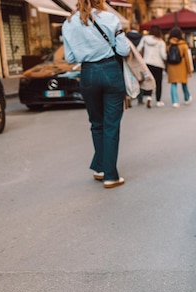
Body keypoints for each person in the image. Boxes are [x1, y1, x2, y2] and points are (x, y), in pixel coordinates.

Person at [62, 0, 130, 189]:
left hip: (88, 74)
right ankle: (110, 176)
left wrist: (86, 50)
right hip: (110, 71)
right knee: (111, 126)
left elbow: (70, 57)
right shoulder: (109, 18)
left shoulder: (68, 23)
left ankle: (100, 168)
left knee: (96, 124)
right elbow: (123, 49)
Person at [137, 24, 166, 108]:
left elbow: (138, 49)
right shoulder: (161, 42)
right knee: (158, 83)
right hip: (158, 65)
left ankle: (149, 98)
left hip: (147, 64)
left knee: (149, 81)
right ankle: (158, 101)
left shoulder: (145, 39)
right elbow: (163, 55)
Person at [166, 27, 193, 108]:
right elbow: (187, 59)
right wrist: (189, 70)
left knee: (173, 84)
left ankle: (175, 102)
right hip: (182, 66)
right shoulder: (183, 44)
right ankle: (187, 98)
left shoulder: (168, 44)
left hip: (171, 66)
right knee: (184, 83)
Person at [125, 24, 143, 106]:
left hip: (128, 58)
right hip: (138, 58)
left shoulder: (126, 35)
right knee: (140, 77)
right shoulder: (141, 36)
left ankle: (128, 97)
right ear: (137, 27)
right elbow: (141, 48)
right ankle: (140, 99)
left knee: (128, 77)